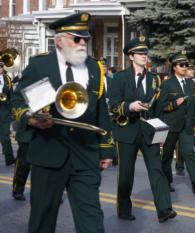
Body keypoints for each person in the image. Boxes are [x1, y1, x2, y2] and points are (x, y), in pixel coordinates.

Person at [11, 12, 114, 233]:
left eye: (85, 39)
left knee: (92, 219)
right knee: (43, 218)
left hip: (85, 153)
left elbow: (101, 110)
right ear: (59, 40)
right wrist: (30, 119)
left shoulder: (95, 67)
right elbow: (18, 99)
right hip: (49, 151)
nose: (82, 43)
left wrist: (106, 149)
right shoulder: (40, 65)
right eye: (76, 39)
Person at [109, 36, 177, 223]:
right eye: (140, 53)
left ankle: (164, 209)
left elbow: (160, 107)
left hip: (149, 131)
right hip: (127, 130)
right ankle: (123, 209)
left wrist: (162, 132)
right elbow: (113, 104)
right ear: (130, 56)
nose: (144, 56)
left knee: (157, 170)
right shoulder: (120, 77)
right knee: (126, 174)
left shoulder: (155, 79)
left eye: (145, 52)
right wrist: (130, 106)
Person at [157, 50, 195, 193]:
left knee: (188, 152)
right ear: (174, 67)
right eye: (181, 65)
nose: (185, 67)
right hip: (170, 125)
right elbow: (159, 107)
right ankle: (165, 182)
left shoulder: (192, 85)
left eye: (186, 65)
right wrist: (174, 104)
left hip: (186, 126)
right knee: (167, 156)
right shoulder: (167, 84)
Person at [0, 61, 15, 166]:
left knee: (5, 136)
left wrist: (12, 110)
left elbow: (11, 96)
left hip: (4, 111)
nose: (0, 68)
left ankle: (9, 159)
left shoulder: (7, 79)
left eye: (1, 66)